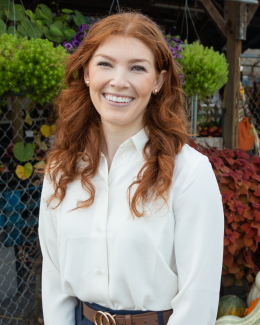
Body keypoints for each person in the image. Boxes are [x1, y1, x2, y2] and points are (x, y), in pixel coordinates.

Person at [38, 11, 224, 325]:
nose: (119, 82)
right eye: (105, 64)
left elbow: (198, 298)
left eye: (137, 68)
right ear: (86, 73)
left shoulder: (190, 173)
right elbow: (55, 278)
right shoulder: (61, 168)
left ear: (158, 81)